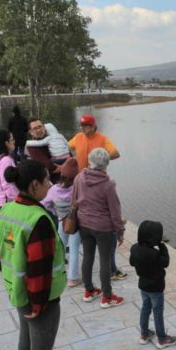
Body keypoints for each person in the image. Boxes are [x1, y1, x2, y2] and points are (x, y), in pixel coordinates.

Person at [0, 159, 79, 350]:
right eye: (46, 180)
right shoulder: (38, 220)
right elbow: (38, 269)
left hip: (18, 291)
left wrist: (11, 279)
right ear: (34, 185)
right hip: (41, 298)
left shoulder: (8, 209)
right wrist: (38, 304)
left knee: (26, 338)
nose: (50, 185)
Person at [67, 114, 125, 280]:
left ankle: (112, 269)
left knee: (104, 226)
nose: (84, 128)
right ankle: (109, 271)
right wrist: (74, 158)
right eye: (82, 125)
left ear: (93, 126)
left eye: (87, 125)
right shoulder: (78, 137)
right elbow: (68, 146)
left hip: (98, 183)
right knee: (96, 229)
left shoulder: (102, 138)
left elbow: (116, 153)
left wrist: (101, 159)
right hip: (83, 182)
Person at [73, 147, 125, 308]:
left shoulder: (79, 178)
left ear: (90, 161)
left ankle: (89, 290)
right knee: (105, 261)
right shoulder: (108, 185)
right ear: (106, 164)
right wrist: (120, 232)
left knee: (87, 256)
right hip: (103, 228)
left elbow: (73, 200)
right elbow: (115, 212)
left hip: (84, 224)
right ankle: (107, 297)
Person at [129, 220, 176, 349]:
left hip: (143, 285)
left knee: (145, 308)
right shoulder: (155, 254)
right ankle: (162, 338)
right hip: (156, 287)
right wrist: (162, 246)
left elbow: (132, 262)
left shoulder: (134, 248)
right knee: (157, 312)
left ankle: (144, 334)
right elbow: (165, 262)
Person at [41, 157, 82, 288]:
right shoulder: (77, 189)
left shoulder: (53, 190)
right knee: (74, 249)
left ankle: (55, 271)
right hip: (75, 224)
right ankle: (73, 278)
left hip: (61, 221)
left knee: (60, 247)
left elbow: (45, 204)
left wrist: (56, 212)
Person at [26, 118, 60, 184]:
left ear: (44, 127)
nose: (39, 130)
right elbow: (48, 165)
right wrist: (64, 167)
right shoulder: (32, 146)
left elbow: (68, 154)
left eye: (40, 127)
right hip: (52, 181)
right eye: (35, 128)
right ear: (30, 132)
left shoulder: (52, 139)